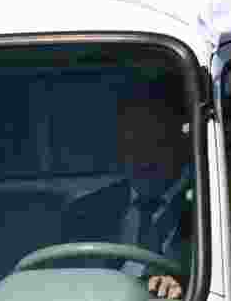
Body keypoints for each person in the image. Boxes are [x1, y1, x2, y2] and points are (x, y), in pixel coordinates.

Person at [62, 80, 194, 299]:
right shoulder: (83, 213)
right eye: (131, 142)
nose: (141, 156)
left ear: (181, 139)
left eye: (155, 141)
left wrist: (184, 283)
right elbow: (63, 283)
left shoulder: (212, 205)